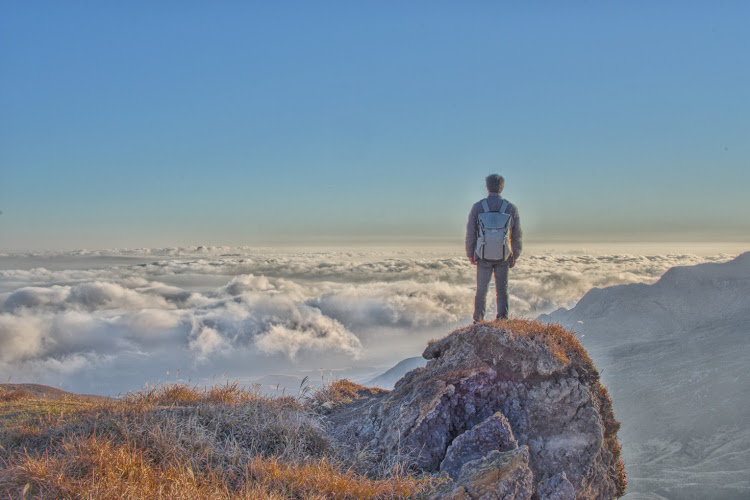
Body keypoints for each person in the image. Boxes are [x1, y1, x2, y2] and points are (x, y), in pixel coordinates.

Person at [465, 174, 522, 322]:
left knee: (481, 290)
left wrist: (470, 253)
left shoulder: (478, 207)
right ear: (501, 187)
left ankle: (478, 319)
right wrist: (514, 255)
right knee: (502, 290)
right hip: (503, 255)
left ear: (487, 187)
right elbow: (516, 235)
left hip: (483, 255)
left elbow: (471, 232)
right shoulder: (510, 208)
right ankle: (502, 318)